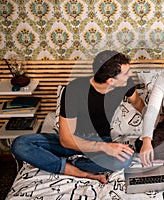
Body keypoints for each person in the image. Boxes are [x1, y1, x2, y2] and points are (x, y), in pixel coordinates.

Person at [11, 50, 145, 183]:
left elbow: (138, 102)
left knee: (125, 159)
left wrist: (155, 118)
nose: (130, 75)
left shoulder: (125, 84)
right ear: (110, 81)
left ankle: (61, 162)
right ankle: (76, 171)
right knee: (19, 144)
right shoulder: (74, 90)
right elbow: (66, 140)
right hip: (71, 142)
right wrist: (104, 147)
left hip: (101, 140)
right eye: (126, 73)